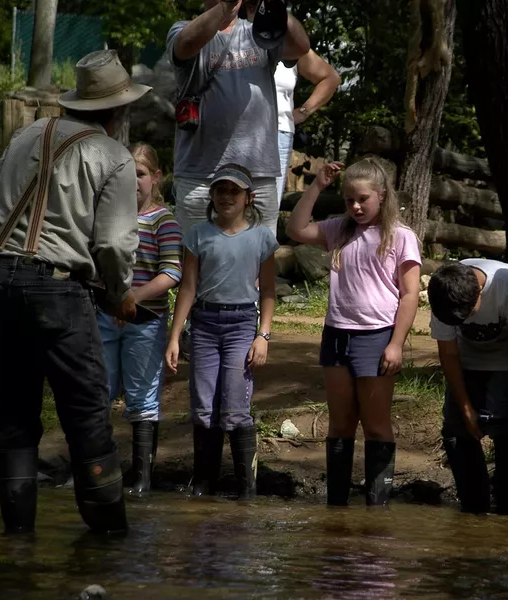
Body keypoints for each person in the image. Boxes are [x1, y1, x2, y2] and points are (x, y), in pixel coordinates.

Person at [0, 50, 150, 534]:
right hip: (54, 289)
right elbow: (114, 243)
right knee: (87, 415)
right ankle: (109, 544)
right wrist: (118, 295)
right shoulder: (114, 156)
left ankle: (17, 550)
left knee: (13, 418)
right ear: (119, 111)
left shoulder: (24, 136)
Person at [286, 159, 421, 507]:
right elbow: (296, 230)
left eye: (363, 199)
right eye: (349, 200)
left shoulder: (401, 236)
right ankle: (338, 508)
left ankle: (377, 508)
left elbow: (409, 296)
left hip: (376, 338)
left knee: (376, 425)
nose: (356, 207)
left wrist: (395, 344)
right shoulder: (339, 230)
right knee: (340, 425)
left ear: (382, 195)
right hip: (336, 336)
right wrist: (317, 186)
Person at [165, 164, 277, 500]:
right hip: (204, 324)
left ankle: (246, 487)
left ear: (248, 198)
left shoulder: (261, 238)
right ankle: (203, 484)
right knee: (202, 404)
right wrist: (174, 337)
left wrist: (264, 335)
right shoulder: (198, 235)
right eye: (220, 190)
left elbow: (268, 291)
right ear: (212, 196)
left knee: (234, 404)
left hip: (242, 323)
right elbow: (187, 287)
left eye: (234, 191)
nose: (226, 197)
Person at [167, 0, 311, 236]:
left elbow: (300, 47)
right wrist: (227, 4)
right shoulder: (182, 29)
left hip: (258, 177)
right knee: (196, 260)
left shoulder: (259, 30)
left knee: (259, 260)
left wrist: (275, 5)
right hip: (201, 177)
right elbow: (187, 44)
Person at [97, 143, 182, 497]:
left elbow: (172, 272)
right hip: (106, 317)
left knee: (142, 396)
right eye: (127, 174)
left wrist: (133, 298)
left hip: (145, 320)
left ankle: (142, 478)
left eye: (141, 174)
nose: (134, 181)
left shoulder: (164, 220)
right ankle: (95, 470)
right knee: (98, 391)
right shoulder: (107, 218)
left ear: (155, 177)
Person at [428, 260, 508, 514]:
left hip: (507, 356)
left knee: (506, 427)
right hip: (466, 358)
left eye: (468, 314)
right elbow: (448, 354)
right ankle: (474, 508)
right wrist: (466, 408)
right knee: (456, 429)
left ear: (479, 292)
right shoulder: (444, 293)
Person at [274, 50, 341, 205]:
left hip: (277, 134)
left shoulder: (286, 40)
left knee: (266, 210)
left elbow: (331, 78)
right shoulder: (223, 34)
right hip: (225, 132)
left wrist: (304, 111)